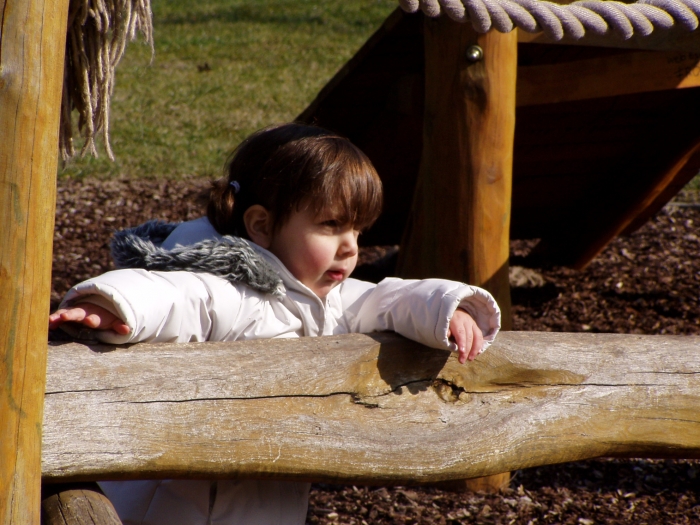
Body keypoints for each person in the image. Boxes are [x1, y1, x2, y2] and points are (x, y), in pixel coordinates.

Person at [49, 123, 501, 525]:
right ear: (261, 226)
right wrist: (110, 304)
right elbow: (176, 297)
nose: (350, 247)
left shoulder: (327, 297)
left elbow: (388, 298)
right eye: (330, 225)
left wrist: (450, 309)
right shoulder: (232, 290)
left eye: (358, 231)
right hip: (172, 505)